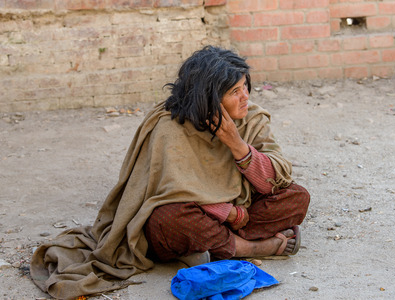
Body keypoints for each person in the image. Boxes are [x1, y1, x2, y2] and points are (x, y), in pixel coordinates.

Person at [30, 46, 310, 299]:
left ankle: (208, 248)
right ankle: (250, 247)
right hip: (200, 214)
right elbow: (165, 193)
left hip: (236, 212)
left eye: (245, 87)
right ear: (210, 98)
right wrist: (230, 214)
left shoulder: (252, 120)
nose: (245, 97)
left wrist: (236, 145)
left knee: (297, 197)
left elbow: (275, 180)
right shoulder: (169, 125)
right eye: (234, 92)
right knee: (168, 220)